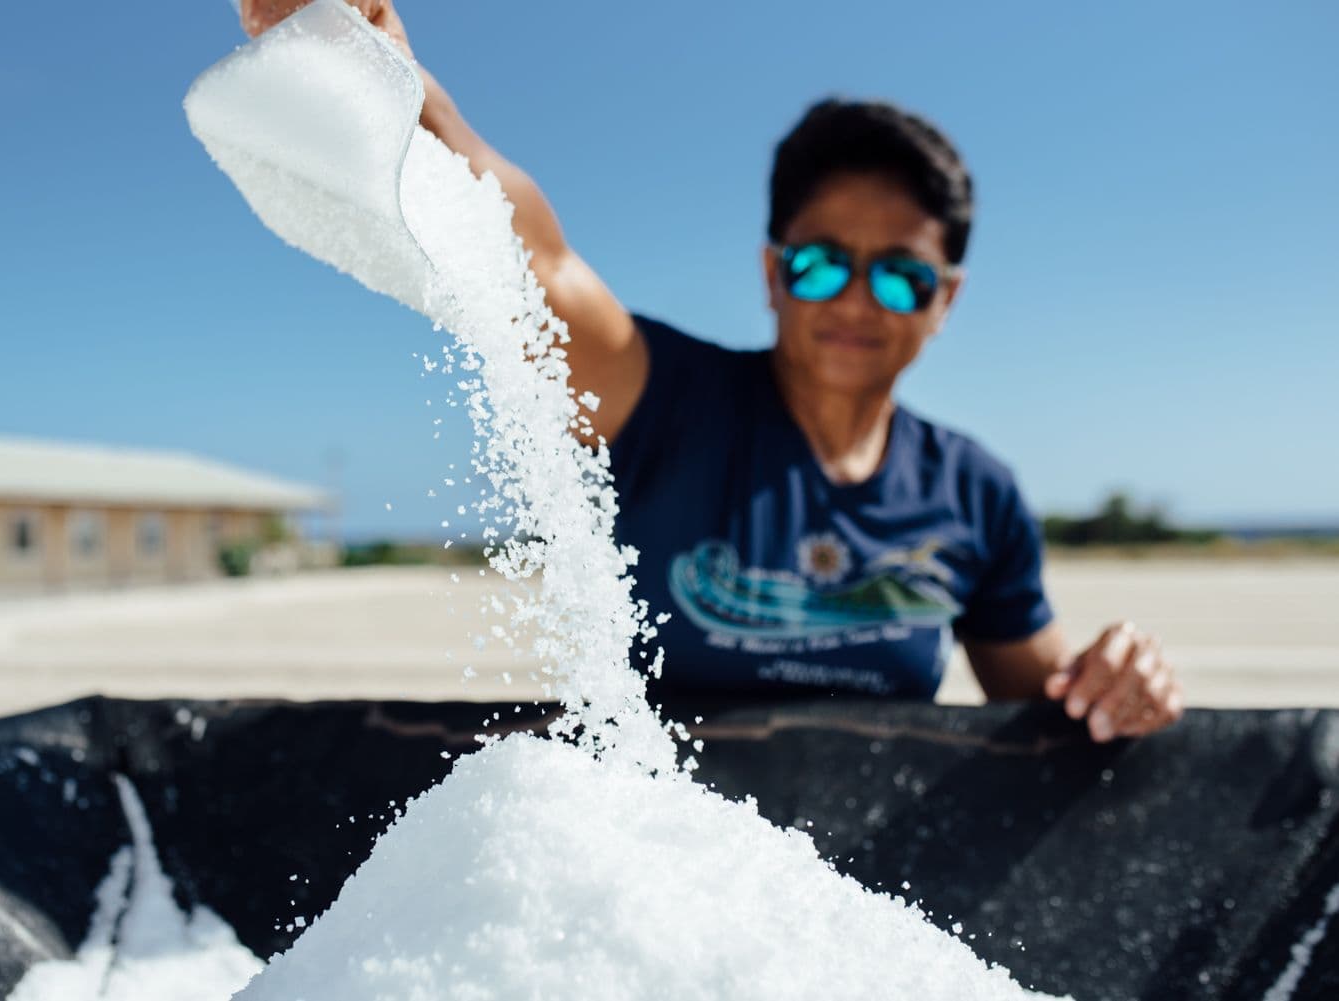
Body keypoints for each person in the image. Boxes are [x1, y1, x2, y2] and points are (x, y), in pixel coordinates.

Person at [239, 0, 1185, 742]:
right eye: (821, 263)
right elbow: (534, 261)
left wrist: (1117, 681)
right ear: (774, 275)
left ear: (947, 299)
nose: (857, 300)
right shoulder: (662, 403)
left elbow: (1046, 714)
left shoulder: (974, 494)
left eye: (900, 275)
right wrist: (392, 76)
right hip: (660, 874)